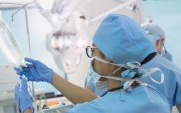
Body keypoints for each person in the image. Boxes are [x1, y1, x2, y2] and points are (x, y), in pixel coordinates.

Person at [14, 14, 170, 113]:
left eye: (93, 50)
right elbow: (101, 102)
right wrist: (51, 77)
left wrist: (26, 108)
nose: (91, 57)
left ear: (109, 58)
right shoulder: (156, 98)